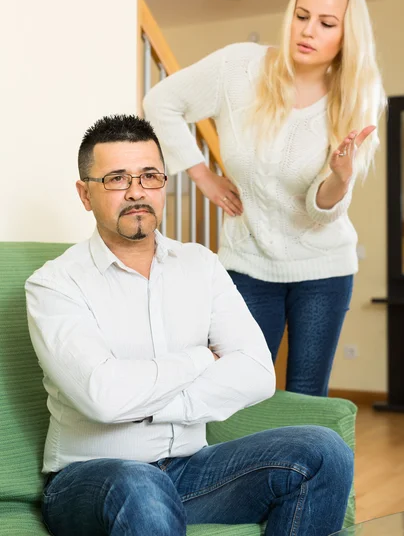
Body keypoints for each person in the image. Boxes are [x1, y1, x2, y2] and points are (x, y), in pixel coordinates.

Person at [26, 115, 353, 536]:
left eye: (149, 176)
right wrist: (201, 358)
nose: (136, 192)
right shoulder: (54, 284)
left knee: (325, 451)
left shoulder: (201, 265)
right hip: (90, 480)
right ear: (84, 194)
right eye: (115, 179)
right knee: (140, 485)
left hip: (191, 470)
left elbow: (256, 373)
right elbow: (104, 397)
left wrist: (146, 408)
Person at [143, 0, 386, 397]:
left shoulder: (357, 97)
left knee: (305, 395)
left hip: (323, 269)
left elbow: (320, 208)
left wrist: (341, 176)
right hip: (248, 260)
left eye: (327, 24)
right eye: (301, 15)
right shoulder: (239, 67)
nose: (308, 31)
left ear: (347, 35)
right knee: (241, 390)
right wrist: (202, 175)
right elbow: (161, 101)